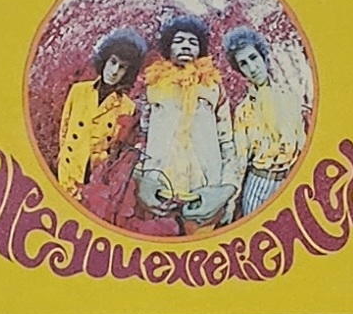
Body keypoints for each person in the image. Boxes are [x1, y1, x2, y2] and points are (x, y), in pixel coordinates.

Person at [134, 15, 238, 233]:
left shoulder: (213, 87)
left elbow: (227, 143)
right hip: (160, 192)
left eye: (193, 42)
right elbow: (139, 138)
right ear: (168, 47)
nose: (186, 46)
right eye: (179, 41)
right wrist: (140, 180)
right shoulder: (152, 86)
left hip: (203, 193)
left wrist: (226, 189)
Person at [56, 29, 147, 219]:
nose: (114, 71)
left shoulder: (127, 106)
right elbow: (64, 131)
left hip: (95, 181)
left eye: (122, 67)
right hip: (67, 172)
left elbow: (117, 148)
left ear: (127, 72)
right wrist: (64, 160)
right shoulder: (78, 91)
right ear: (104, 60)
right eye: (113, 62)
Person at [224, 27, 308, 218]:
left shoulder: (289, 97)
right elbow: (239, 160)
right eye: (244, 64)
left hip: (289, 182)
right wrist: (230, 204)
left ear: (263, 57)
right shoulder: (244, 111)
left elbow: (301, 143)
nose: (252, 68)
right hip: (258, 185)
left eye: (253, 58)